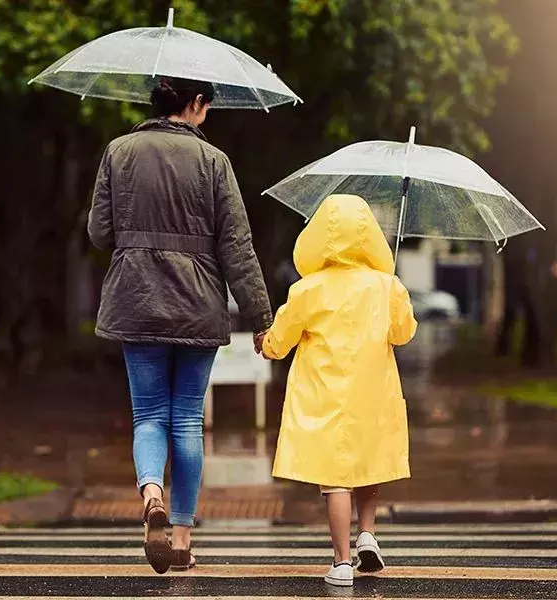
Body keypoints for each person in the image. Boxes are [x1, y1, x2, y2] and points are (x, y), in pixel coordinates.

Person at [87, 76, 272, 574]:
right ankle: (184, 540)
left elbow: (100, 232)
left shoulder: (118, 151)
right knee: (187, 418)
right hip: (197, 303)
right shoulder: (214, 163)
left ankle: (151, 493)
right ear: (194, 103)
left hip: (135, 299)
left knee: (148, 414)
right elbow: (237, 247)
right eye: (206, 106)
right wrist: (259, 317)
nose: (207, 115)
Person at [261, 194, 417, 587]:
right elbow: (403, 333)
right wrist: (397, 296)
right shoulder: (386, 286)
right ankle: (367, 533)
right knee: (369, 463)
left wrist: (265, 344)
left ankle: (342, 561)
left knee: (335, 478)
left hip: (325, 395)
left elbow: (280, 340)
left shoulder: (308, 289)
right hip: (373, 392)